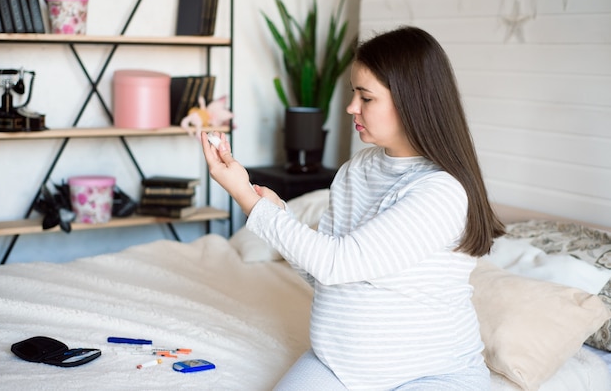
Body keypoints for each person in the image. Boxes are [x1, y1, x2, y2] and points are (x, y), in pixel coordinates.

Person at [201, 26, 505, 391]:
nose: (350, 107)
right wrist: (278, 214)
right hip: (339, 366)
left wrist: (248, 200)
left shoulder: (441, 191)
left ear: (412, 100)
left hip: (431, 373)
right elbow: (325, 274)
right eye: (352, 93)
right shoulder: (355, 170)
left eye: (366, 97)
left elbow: (336, 261)